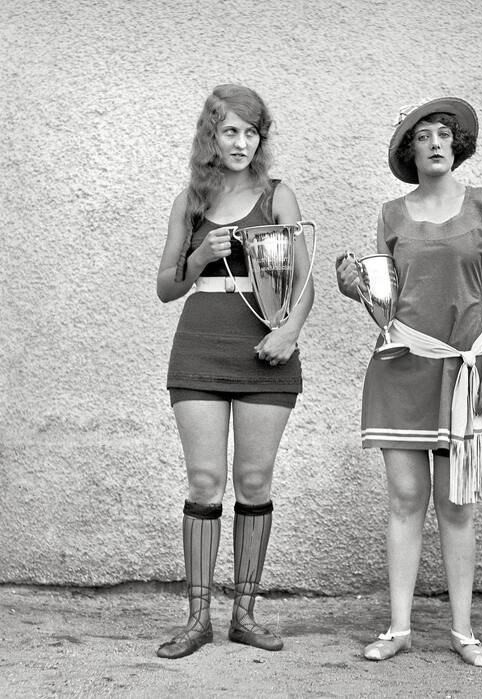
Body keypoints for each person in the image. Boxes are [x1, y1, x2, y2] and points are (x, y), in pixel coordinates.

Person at [336, 97, 482, 667]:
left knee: (456, 503)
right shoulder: (390, 215)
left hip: (465, 371)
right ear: (410, 152)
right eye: (421, 137)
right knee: (406, 499)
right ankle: (400, 627)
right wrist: (356, 289)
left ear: (456, 145)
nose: (434, 143)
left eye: (442, 134)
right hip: (401, 370)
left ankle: (464, 632)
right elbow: (388, 310)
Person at [156, 84, 314, 659]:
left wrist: (288, 333)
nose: (241, 141)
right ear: (211, 136)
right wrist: (198, 257)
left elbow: (304, 279)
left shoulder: (277, 196)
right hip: (198, 348)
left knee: (254, 482)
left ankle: (243, 615)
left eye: (251, 131)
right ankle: (197, 619)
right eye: (230, 130)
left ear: (260, 138)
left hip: (265, 353)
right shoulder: (190, 200)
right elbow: (165, 289)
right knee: (203, 481)